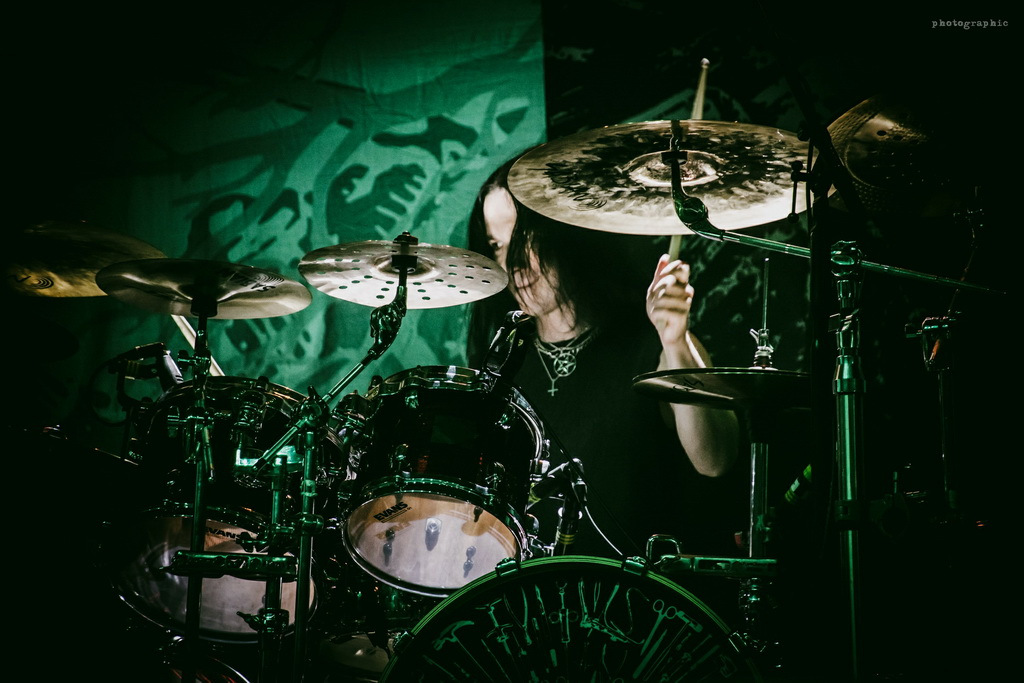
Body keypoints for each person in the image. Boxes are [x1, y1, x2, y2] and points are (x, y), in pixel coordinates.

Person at [467, 154, 748, 561]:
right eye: (497, 245)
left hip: (639, 595)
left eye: (524, 238)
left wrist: (675, 340)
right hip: (536, 597)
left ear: (562, 230)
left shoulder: (652, 345)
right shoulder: (501, 366)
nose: (513, 265)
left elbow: (716, 460)